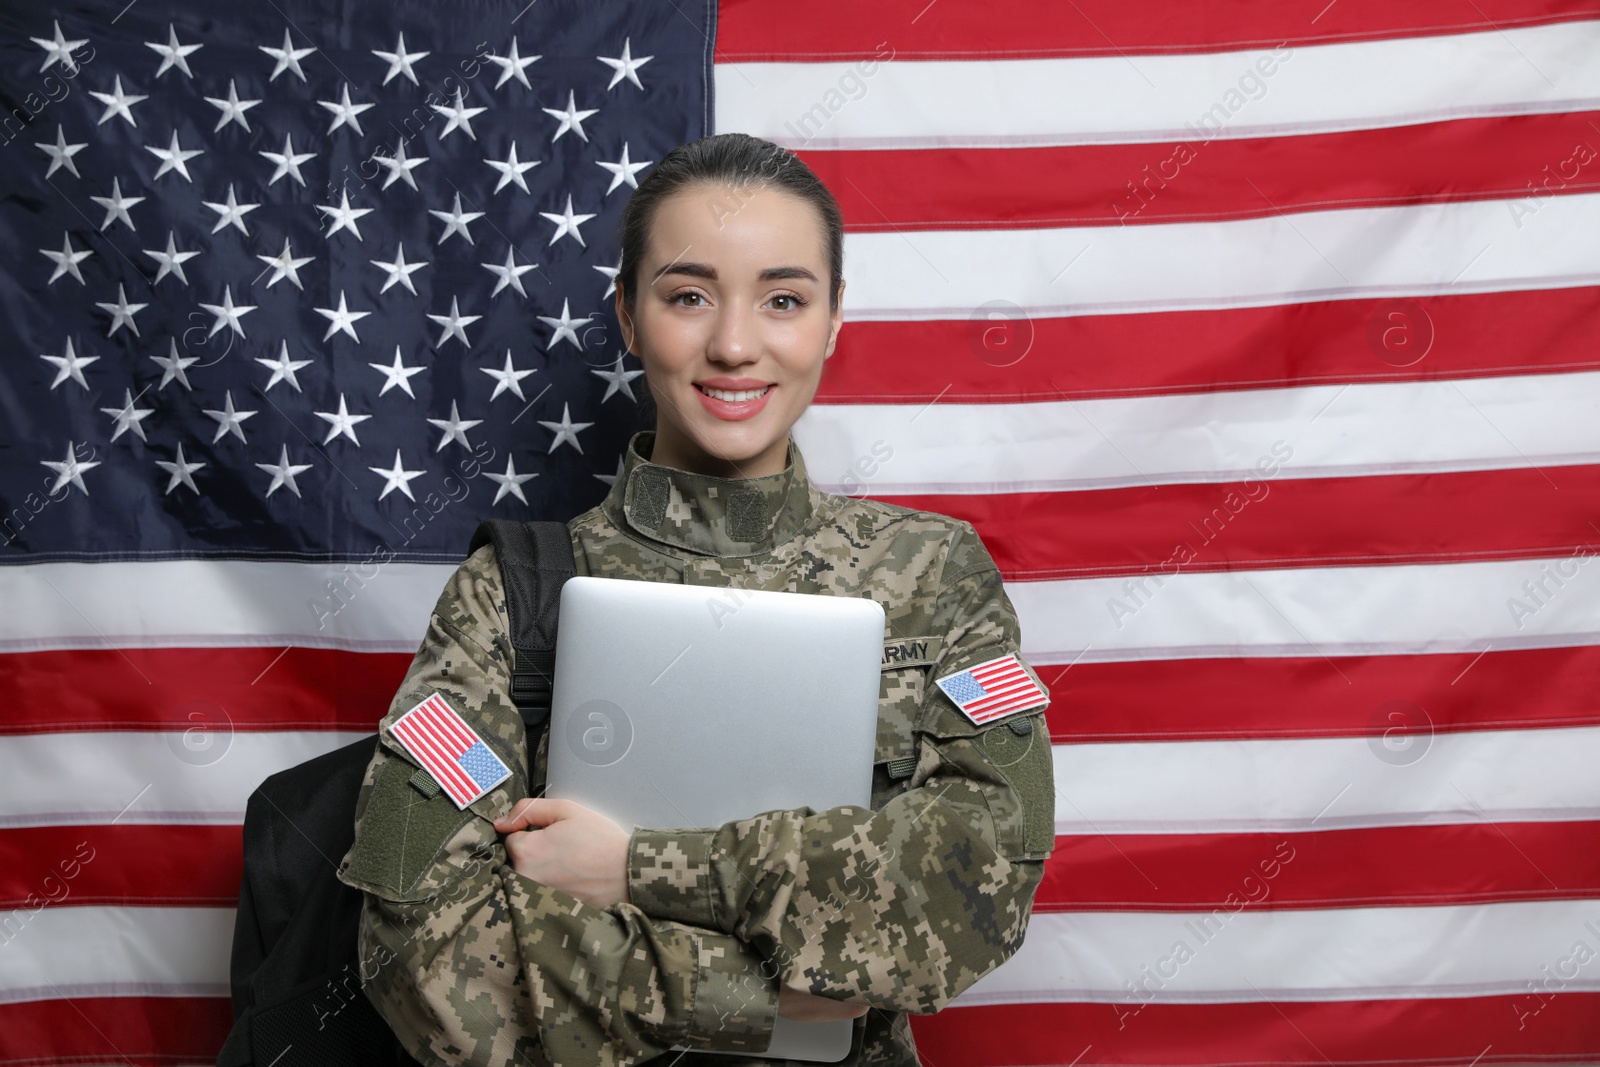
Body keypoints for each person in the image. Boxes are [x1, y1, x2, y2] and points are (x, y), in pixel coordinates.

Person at [337, 132, 1056, 1067]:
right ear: (631, 318)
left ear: (835, 319)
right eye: (687, 296)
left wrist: (636, 866)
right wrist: (765, 1002)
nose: (732, 343)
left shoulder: (936, 575)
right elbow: (417, 944)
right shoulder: (508, 592)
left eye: (784, 299)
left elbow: (979, 887)